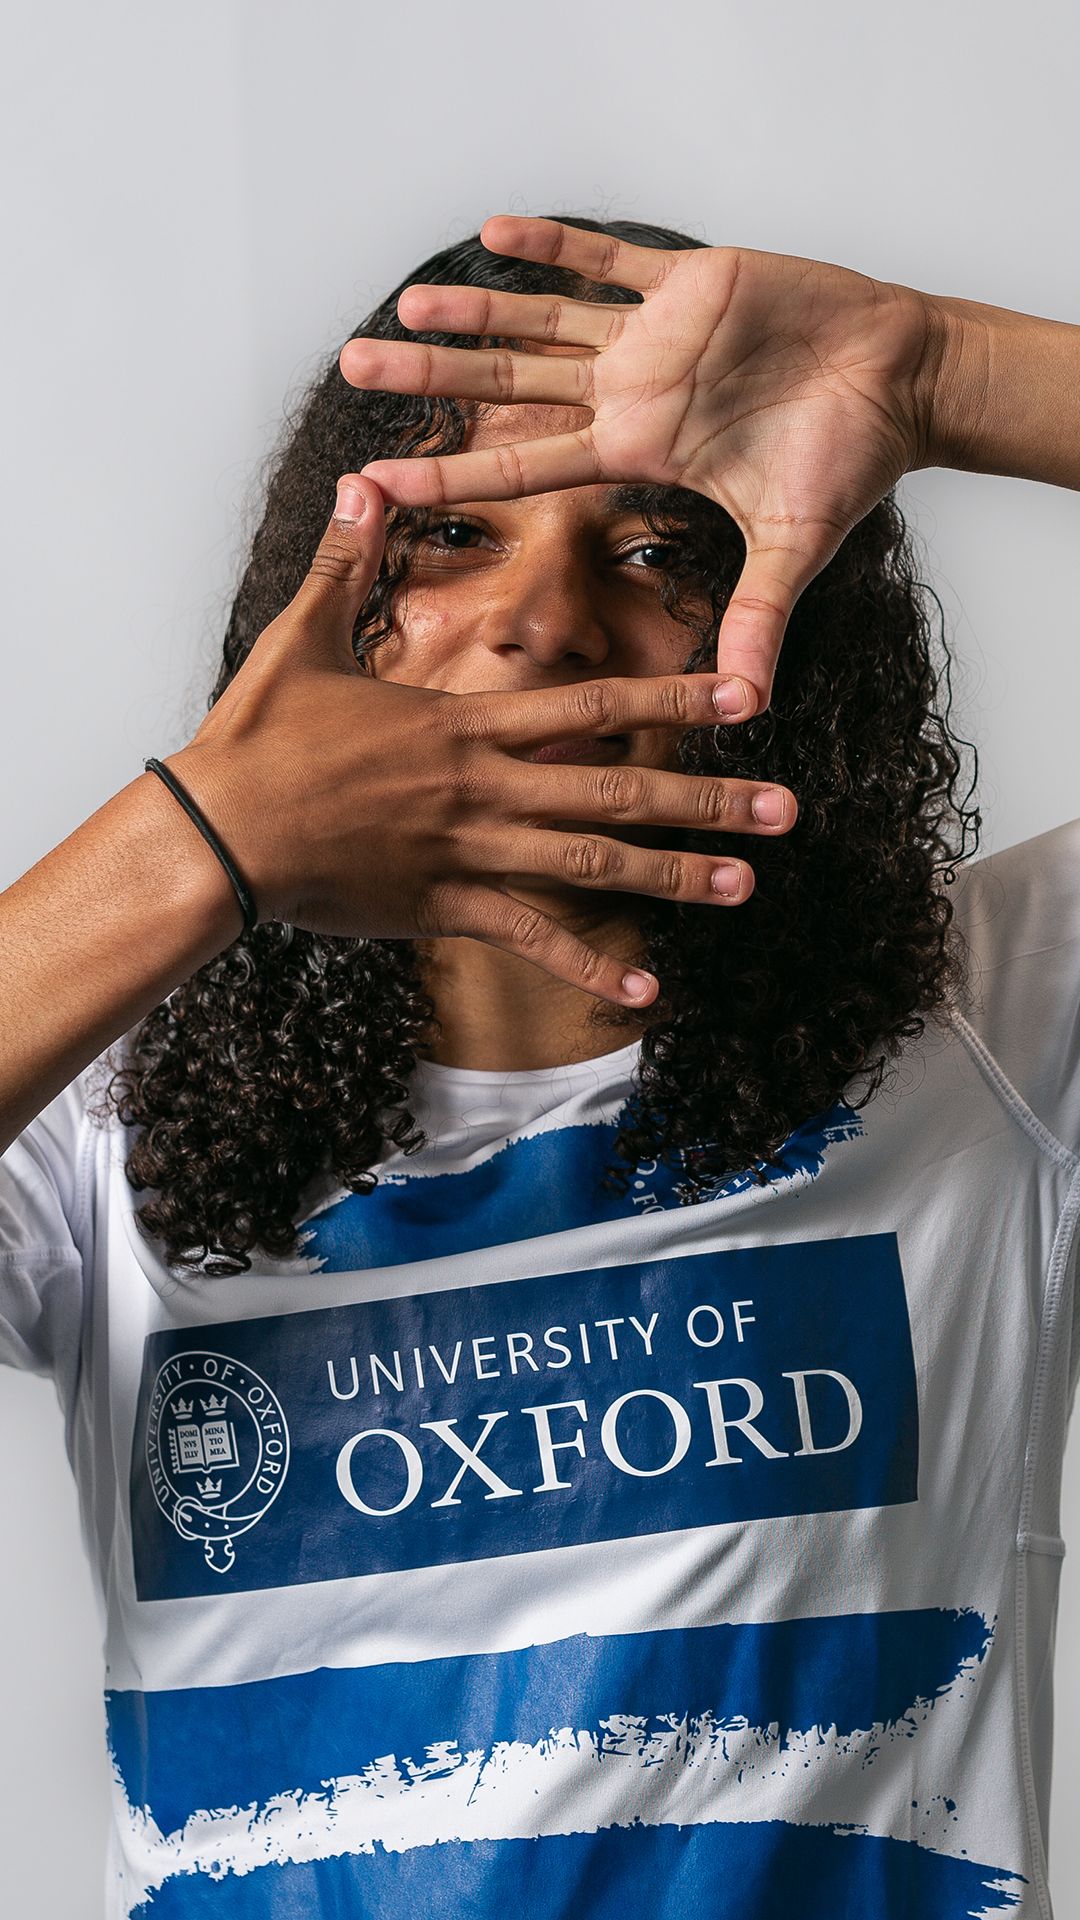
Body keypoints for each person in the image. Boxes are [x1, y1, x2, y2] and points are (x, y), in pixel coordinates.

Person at [0, 211, 1076, 1918]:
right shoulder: (99, 1130)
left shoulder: (992, 1030)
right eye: (451, 535)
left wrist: (950, 374)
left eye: (656, 549)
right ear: (332, 620)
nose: (540, 623)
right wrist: (204, 838)